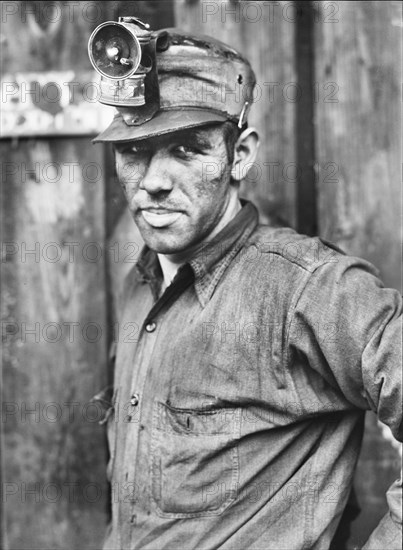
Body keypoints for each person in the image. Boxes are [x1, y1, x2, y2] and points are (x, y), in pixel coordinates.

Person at [90, 19, 402, 550]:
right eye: (135, 151)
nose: (154, 180)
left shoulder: (308, 287)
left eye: (187, 150)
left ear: (240, 156)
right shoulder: (141, 285)